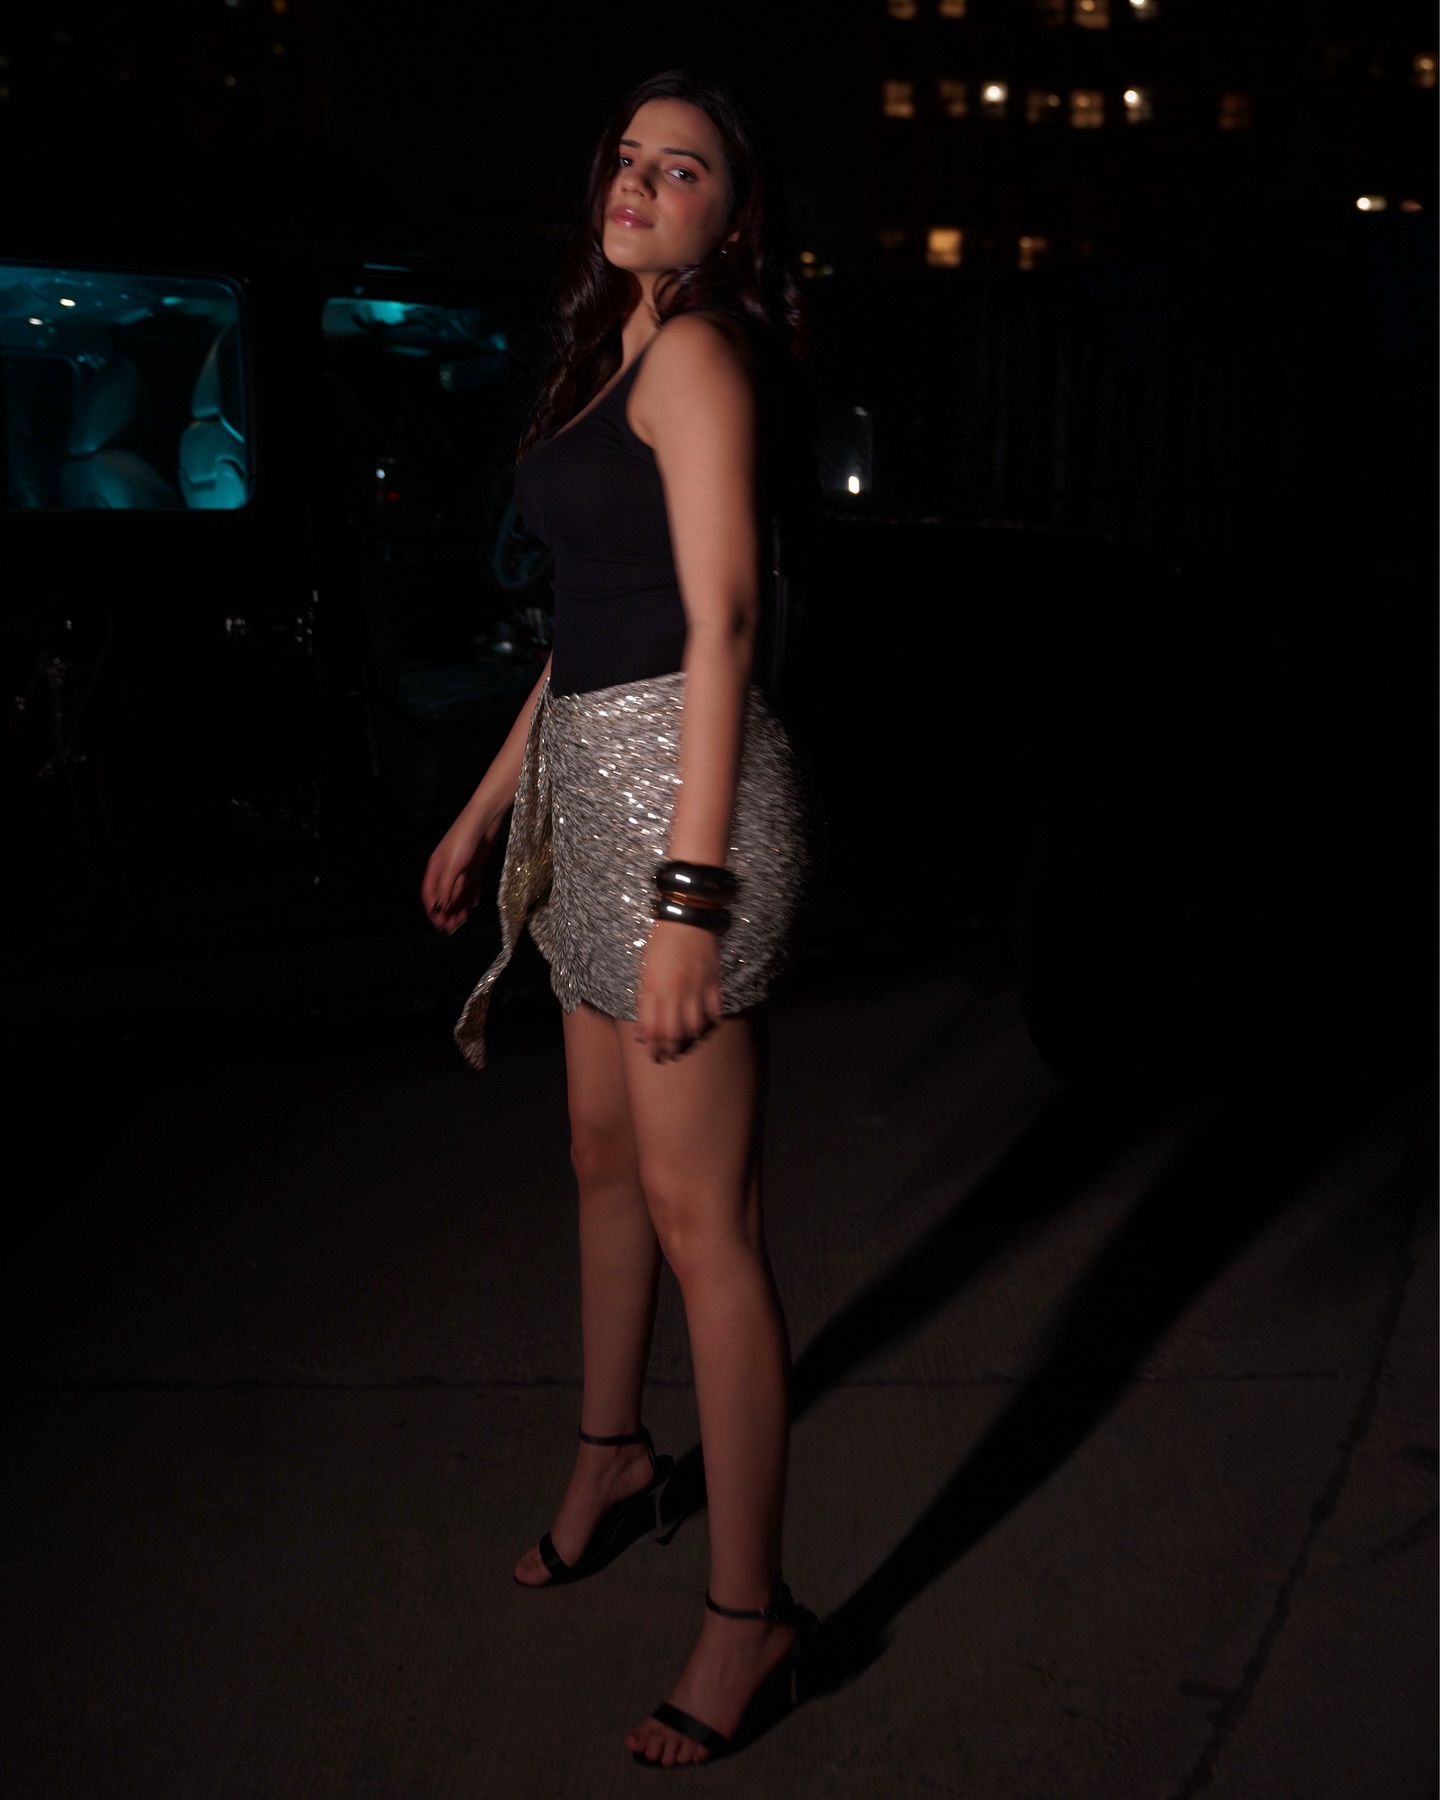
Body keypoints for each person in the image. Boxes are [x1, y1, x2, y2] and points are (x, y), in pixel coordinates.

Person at [421, 70, 816, 1767]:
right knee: (600, 1164)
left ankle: (751, 1619)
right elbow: (585, 626)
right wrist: (486, 803)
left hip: (686, 810)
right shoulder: (609, 351)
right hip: (590, 785)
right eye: (632, 159)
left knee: (699, 1217)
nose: (644, 183)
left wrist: (689, 903)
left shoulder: (703, 355)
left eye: (687, 168)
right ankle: (613, 1456)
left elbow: (719, 627)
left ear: (735, 213)